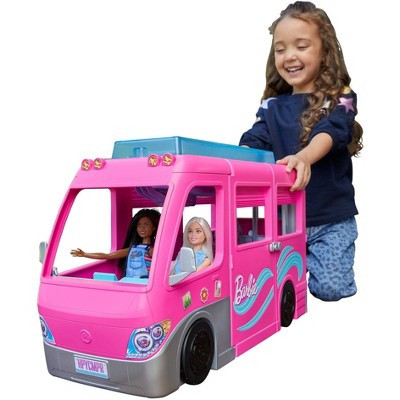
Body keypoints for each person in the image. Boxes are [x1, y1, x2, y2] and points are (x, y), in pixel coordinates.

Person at [239, 1, 363, 301]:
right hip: (284, 221)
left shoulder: (341, 97)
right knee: (268, 288)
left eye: (302, 46)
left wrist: (304, 157)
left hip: (331, 222)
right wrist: (234, 158)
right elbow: (255, 139)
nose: (290, 56)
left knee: (329, 289)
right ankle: (299, 264)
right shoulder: (271, 106)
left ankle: (314, 263)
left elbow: (331, 130)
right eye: (280, 49)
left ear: (325, 52)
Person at [71, 208, 161, 278]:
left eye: (146, 224)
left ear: (154, 227)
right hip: (130, 281)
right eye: (139, 225)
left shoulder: (152, 250)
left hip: (145, 283)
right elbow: (108, 256)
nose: (142, 228)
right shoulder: (133, 248)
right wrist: (84, 254)